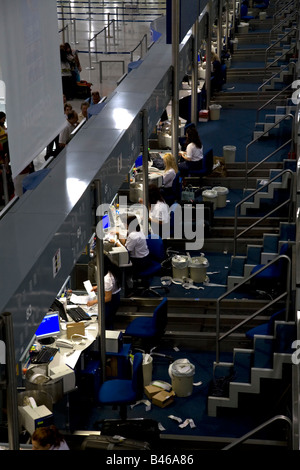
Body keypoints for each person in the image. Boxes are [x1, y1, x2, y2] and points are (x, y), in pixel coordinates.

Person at [86, 254, 121, 329]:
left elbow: (108, 298)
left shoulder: (107, 278)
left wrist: (94, 302)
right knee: (109, 320)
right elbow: (112, 285)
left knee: (106, 322)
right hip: (116, 296)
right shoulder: (112, 267)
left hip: (111, 302)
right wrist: (99, 287)